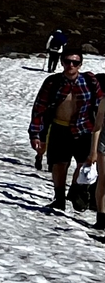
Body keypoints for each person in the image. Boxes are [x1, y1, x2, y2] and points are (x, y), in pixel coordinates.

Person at [29, 48, 101, 217]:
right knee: (59, 164)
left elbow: (100, 105)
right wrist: (35, 134)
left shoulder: (89, 81)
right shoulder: (53, 82)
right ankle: (59, 197)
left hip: (84, 129)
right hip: (59, 128)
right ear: (62, 62)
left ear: (80, 64)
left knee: (85, 163)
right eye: (68, 61)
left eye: (75, 62)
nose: (71, 65)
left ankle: (76, 191)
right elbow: (39, 108)